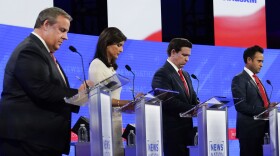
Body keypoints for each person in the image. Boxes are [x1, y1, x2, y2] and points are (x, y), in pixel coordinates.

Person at [0, 7, 92, 156]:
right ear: (46, 24)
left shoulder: (42, 52)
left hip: (40, 141)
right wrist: (78, 94)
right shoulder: (29, 50)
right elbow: (41, 90)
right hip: (27, 142)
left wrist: (80, 95)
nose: (66, 37)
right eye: (62, 30)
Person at [89, 27, 141, 156]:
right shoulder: (97, 64)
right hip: (103, 122)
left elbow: (113, 98)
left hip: (115, 119)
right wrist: (129, 102)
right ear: (107, 43)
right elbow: (101, 99)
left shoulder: (111, 68)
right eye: (118, 45)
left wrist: (131, 104)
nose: (121, 50)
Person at [151, 38, 199, 156]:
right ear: (173, 52)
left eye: (189, 56)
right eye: (184, 55)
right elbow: (168, 101)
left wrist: (200, 105)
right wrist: (193, 109)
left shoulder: (186, 75)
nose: (187, 59)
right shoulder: (162, 73)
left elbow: (192, 98)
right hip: (172, 132)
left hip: (187, 132)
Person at [231, 45, 274, 156]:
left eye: (262, 61)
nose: (262, 64)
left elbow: (260, 102)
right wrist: (265, 109)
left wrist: (270, 106)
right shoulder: (239, 78)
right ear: (249, 60)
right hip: (249, 132)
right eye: (259, 61)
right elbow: (240, 105)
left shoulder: (257, 79)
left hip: (264, 130)